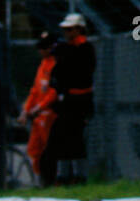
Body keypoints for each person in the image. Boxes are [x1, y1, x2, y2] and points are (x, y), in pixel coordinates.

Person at [45, 13, 95, 184]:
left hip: (80, 100)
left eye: (69, 29)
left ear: (79, 29)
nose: (66, 33)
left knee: (75, 138)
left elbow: (78, 72)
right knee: (61, 135)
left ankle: (79, 175)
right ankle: (63, 175)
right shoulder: (66, 49)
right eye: (65, 29)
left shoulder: (85, 49)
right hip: (67, 99)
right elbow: (58, 73)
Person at [19, 32, 59, 184]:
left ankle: (51, 180)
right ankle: (41, 179)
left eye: (44, 47)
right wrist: (26, 110)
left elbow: (53, 92)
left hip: (49, 114)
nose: (41, 51)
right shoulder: (43, 64)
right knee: (34, 149)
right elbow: (35, 91)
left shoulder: (56, 64)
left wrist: (40, 107)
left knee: (50, 150)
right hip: (38, 115)